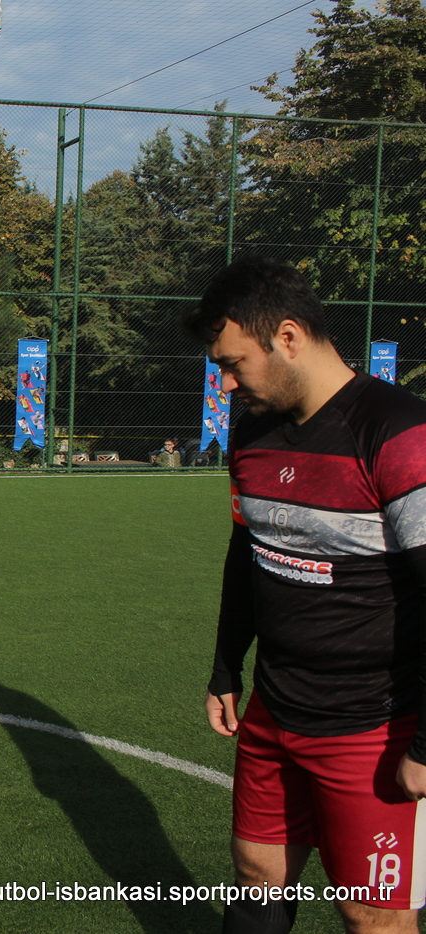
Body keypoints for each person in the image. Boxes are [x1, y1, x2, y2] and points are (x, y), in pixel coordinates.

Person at [182, 256, 426, 934]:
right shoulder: (253, 432)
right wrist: (227, 667)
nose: (226, 383)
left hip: (375, 730)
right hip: (274, 711)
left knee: (374, 916)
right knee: (257, 881)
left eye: (234, 364)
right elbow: (247, 552)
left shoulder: (400, 434)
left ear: (287, 337)